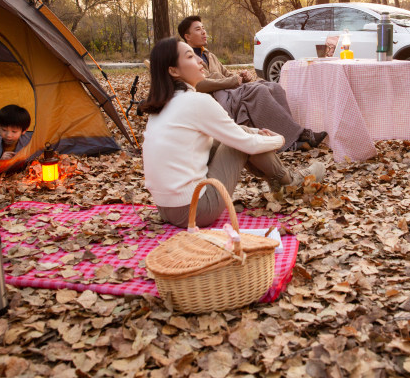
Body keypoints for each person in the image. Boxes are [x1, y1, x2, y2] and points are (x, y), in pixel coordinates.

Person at [140, 37, 325, 228]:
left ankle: (281, 181)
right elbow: (245, 143)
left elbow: (226, 135)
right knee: (239, 141)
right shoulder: (195, 101)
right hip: (197, 210)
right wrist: (279, 139)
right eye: (190, 57)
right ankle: (289, 181)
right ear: (173, 70)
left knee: (237, 135)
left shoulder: (162, 107)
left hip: (166, 208)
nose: (200, 61)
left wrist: (255, 132)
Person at [177, 15, 327, 151]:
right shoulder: (186, 59)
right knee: (259, 92)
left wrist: (242, 76)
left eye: (203, 28)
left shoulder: (209, 55)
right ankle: (301, 135)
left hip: (232, 90)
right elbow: (199, 84)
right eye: (198, 30)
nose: (204, 32)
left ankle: (292, 137)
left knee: (273, 86)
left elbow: (228, 75)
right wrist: (231, 81)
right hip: (219, 98)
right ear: (187, 36)